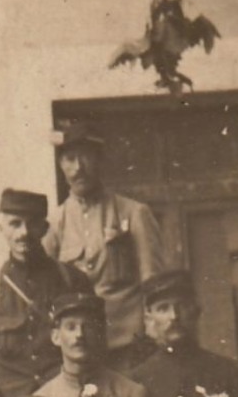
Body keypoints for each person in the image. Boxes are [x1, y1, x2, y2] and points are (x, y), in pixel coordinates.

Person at [45, 122, 165, 369]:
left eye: (86, 157)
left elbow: (153, 284)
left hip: (128, 346)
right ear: (60, 165)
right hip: (80, 350)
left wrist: (152, 341)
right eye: (70, 158)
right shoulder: (54, 224)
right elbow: (44, 291)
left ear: (99, 160)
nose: (78, 168)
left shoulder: (133, 213)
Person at [0, 189, 96, 397]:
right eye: (15, 224)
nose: (23, 232)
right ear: (1, 228)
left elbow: (96, 351)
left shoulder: (73, 281)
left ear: (44, 228)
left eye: (32, 223)